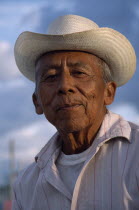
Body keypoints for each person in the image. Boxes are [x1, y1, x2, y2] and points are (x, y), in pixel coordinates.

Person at [12, 15, 139, 210]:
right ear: (37, 102)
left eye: (79, 73)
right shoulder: (25, 185)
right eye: (51, 77)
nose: (65, 86)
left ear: (108, 92)